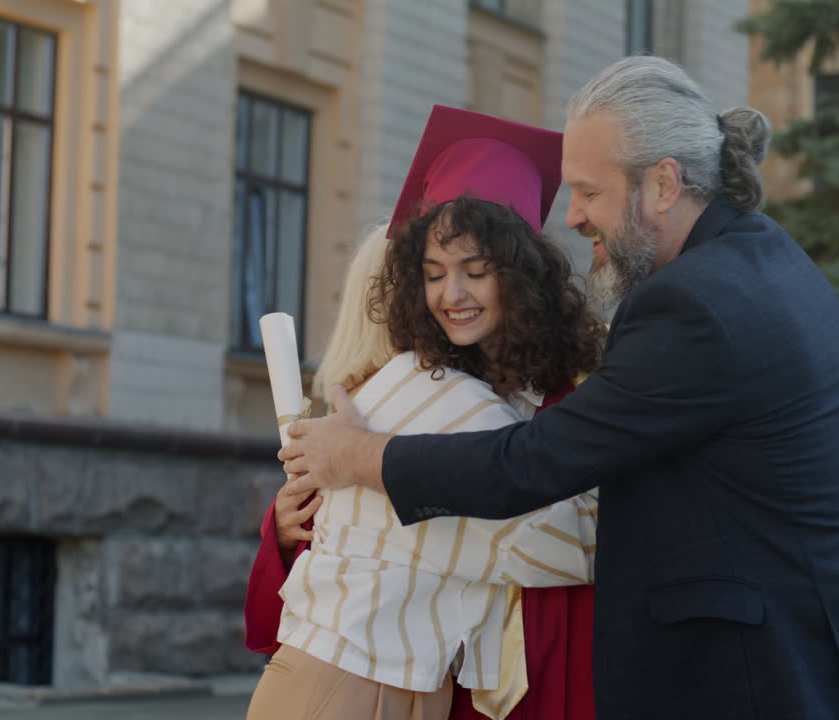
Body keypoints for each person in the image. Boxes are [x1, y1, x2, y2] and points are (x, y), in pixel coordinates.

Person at [278, 58, 839, 719]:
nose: (575, 215)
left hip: (768, 681)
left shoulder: (691, 305)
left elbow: (530, 464)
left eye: (589, 191)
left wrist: (358, 456)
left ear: (664, 184)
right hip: (813, 671)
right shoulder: (769, 257)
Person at [245, 107, 604, 720]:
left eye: (476, 271)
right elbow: (332, 566)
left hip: (544, 674)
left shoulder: (579, 395)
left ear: (522, 275)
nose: (452, 296)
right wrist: (284, 528)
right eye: (434, 275)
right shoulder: (404, 390)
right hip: (431, 686)